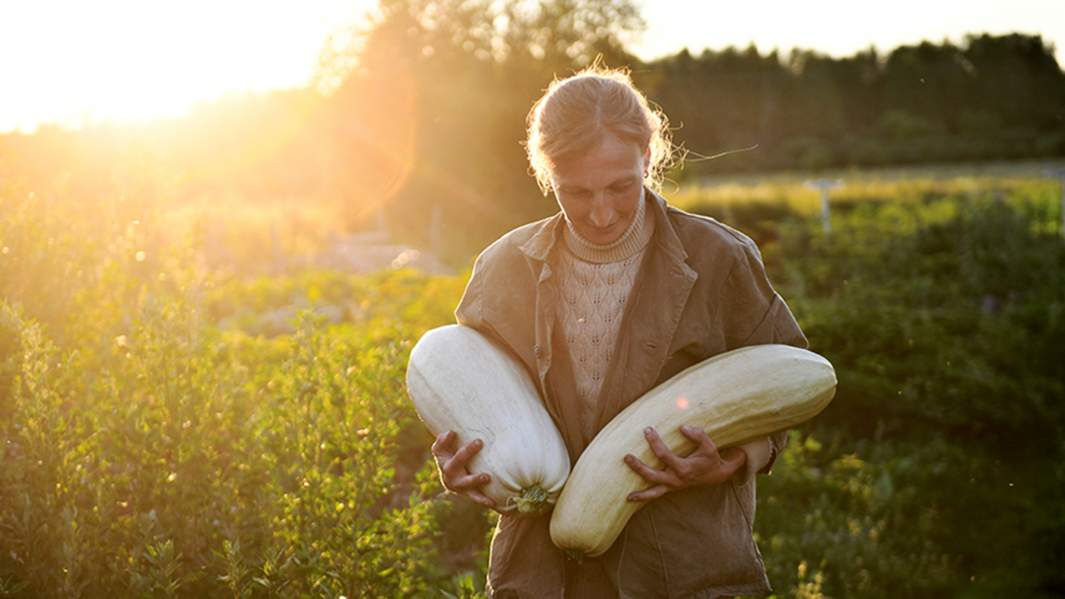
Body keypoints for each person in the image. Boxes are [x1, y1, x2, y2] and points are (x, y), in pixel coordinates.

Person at [430, 65, 808, 598]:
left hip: (683, 565)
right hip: (542, 572)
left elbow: (788, 381)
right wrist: (460, 460)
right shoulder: (502, 270)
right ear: (546, 175)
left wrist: (734, 459)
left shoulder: (720, 258)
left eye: (620, 186)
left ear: (648, 160)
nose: (602, 213)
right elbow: (465, 390)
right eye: (576, 192)